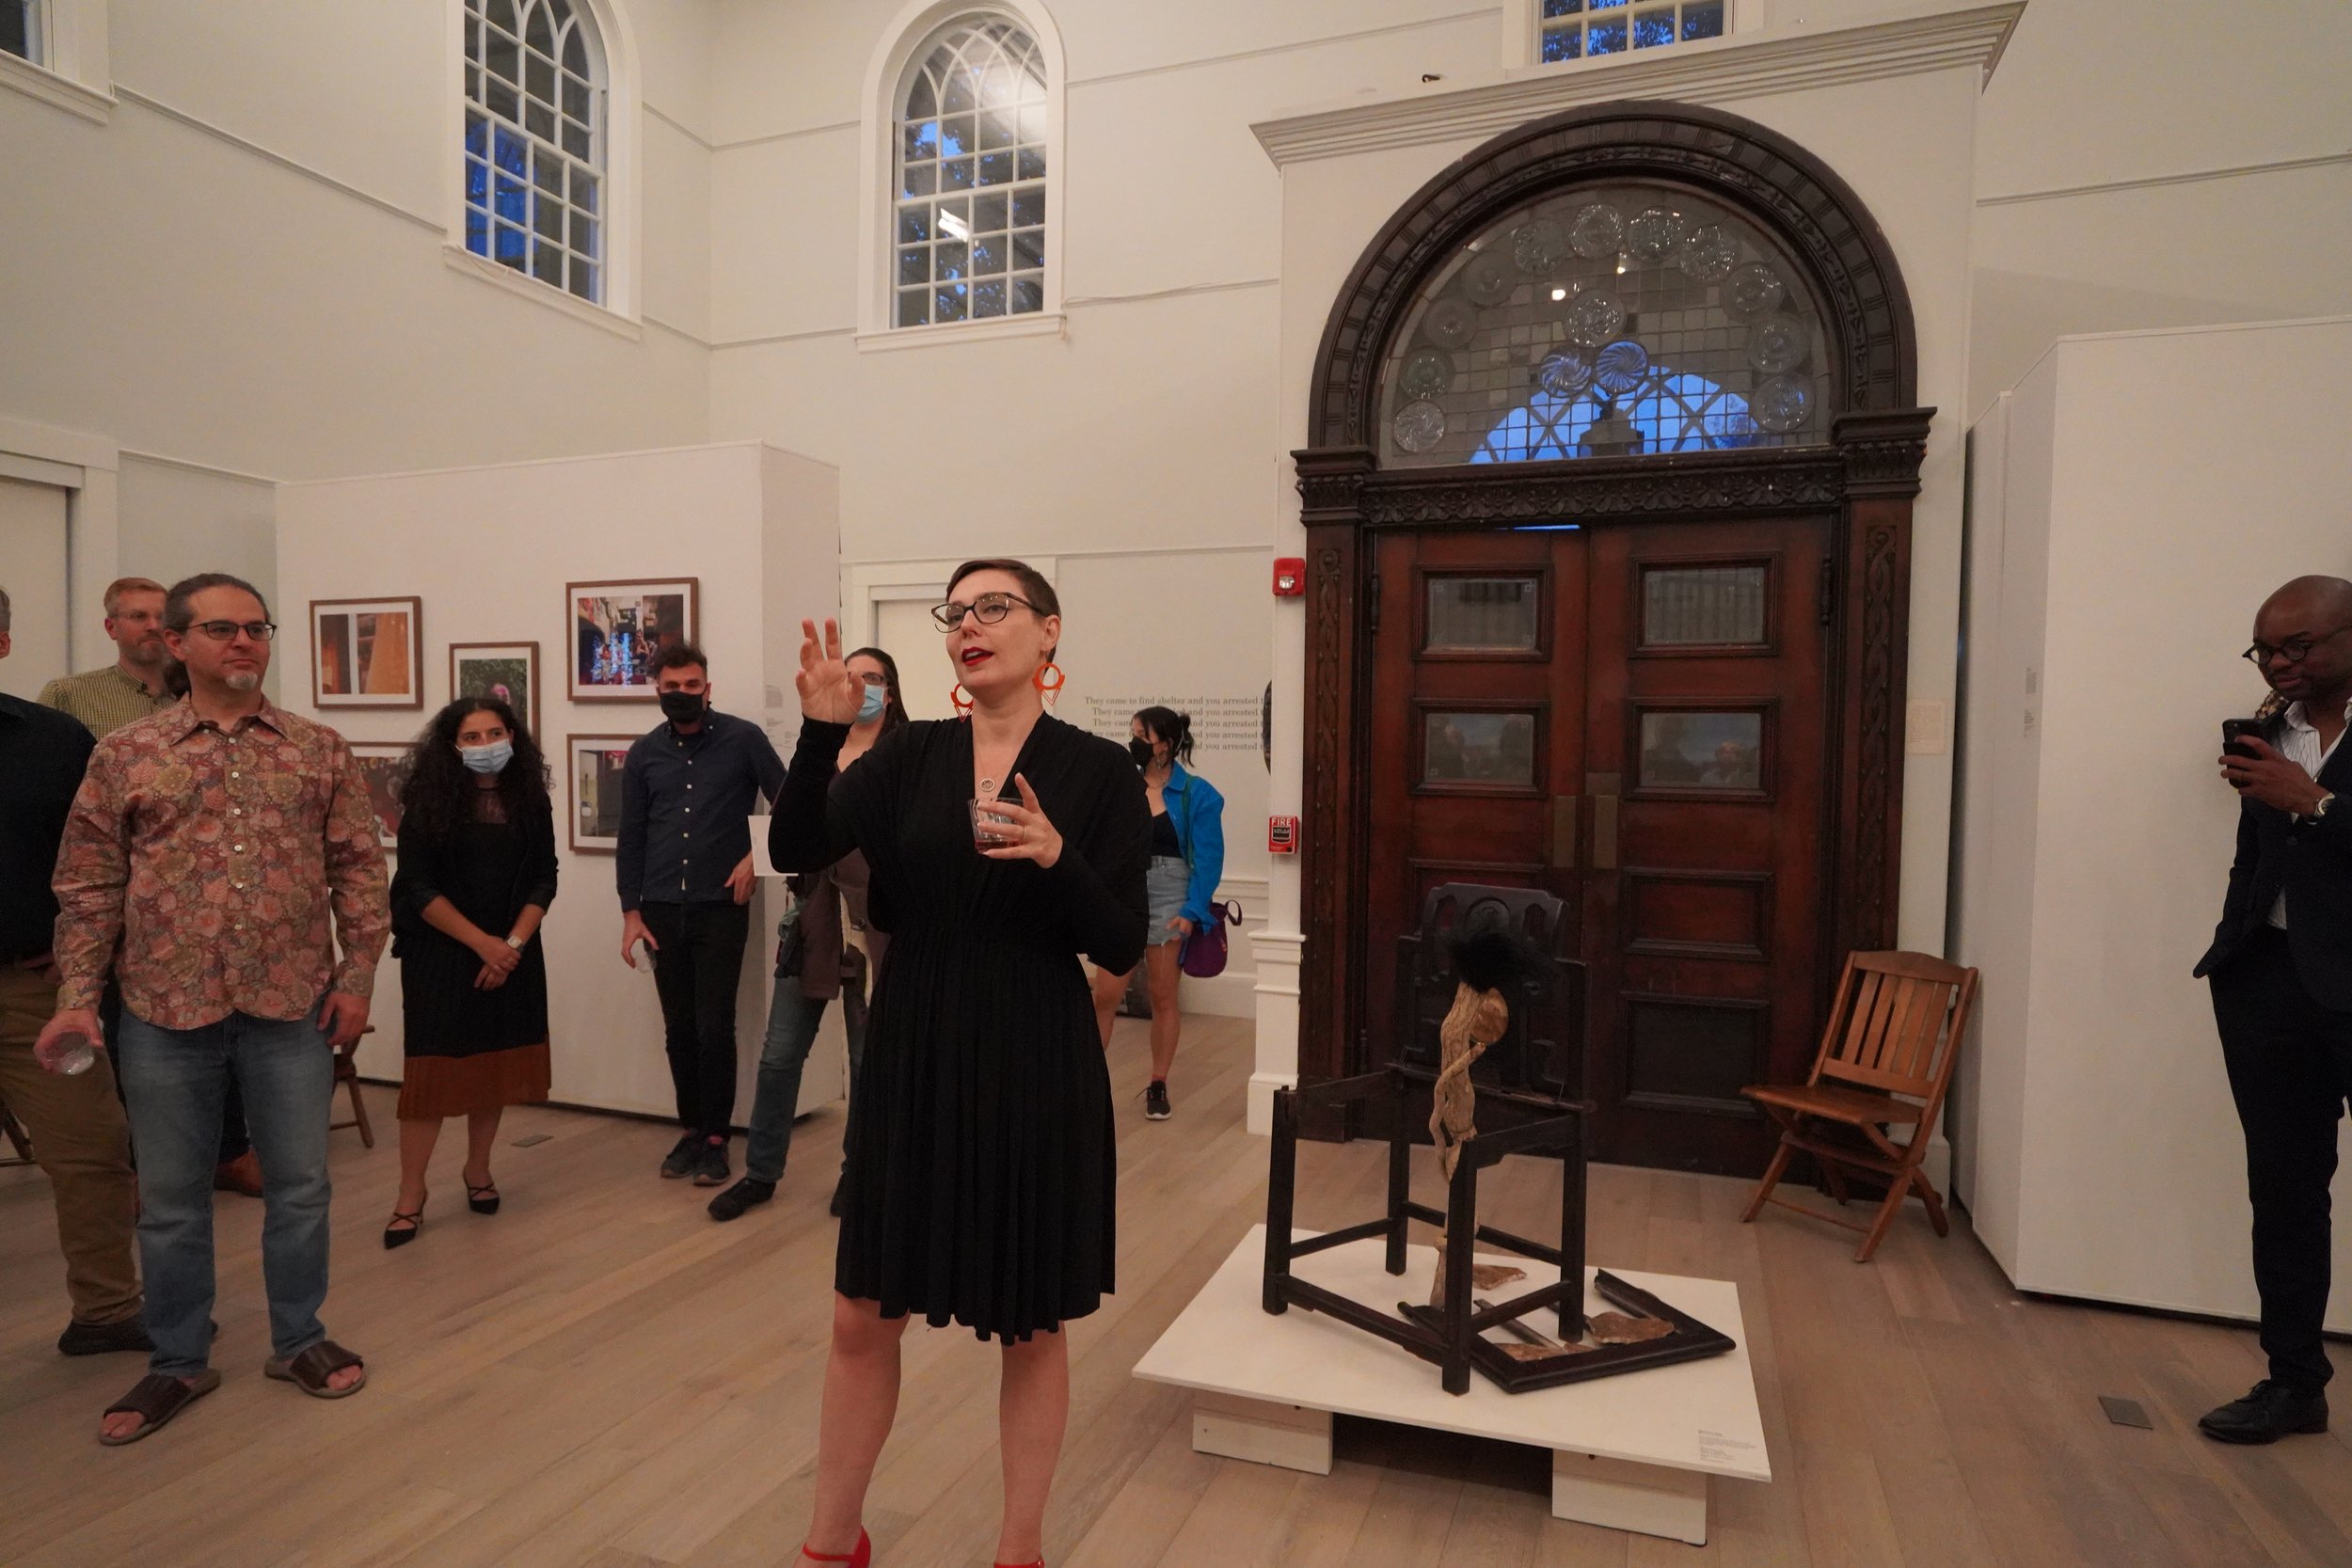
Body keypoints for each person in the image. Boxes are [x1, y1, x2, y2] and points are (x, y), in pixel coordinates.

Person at [771, 561, 1148, 1568]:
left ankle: (1017, 1547)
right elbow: (797, 842)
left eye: (994, 607)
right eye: (956, 611)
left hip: (1033, 1044)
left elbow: (1119, 941)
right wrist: (819, 731)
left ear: (1048, 631)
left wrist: (1056, 857)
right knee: (861, 1309)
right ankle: (828, 1540)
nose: (968, 625)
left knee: (1029, 1319)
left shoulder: (1099, 770)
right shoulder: (909, 756)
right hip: (917, 1037)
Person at [40, 571, 389, 1444]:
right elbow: (88, 887)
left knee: (302, 1187)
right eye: (223, 629)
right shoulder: (126, 753)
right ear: (178, 642)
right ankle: (177, 1358)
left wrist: (357, 980)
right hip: (163, 1008)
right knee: (168, 1199)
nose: (244, 642)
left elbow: (358, 868)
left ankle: (298, 1337)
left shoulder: (317, 749)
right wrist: (78, 998)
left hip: (289, 1006)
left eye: (256, 628)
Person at [38, 575, 262, 1198]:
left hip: (217, 898)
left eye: (156, 615)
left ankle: (229, 1150)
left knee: (230, 1025)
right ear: (114, 628)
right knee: (137, 1037)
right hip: (130, 898)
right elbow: (61, 801)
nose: (146, 626)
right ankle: (144, 1165)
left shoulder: (210, 689)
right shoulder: (71, 695)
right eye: (133, 616)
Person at [2194, 573, 2352, 1444]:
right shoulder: (2271, 730)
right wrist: (2234, 948)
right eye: (2267, 648)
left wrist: (2318, 802)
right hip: (2272, 984)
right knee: (2286, 1191)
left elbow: (2311, 820)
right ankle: (2294, 1381)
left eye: (2300, 646)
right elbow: (2255, 855)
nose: (2281, 662)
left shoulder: (2306, 761)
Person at [0, 585, 149, 1358]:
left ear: (2, 643)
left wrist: (83, 945)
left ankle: (107, 1311)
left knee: (90, 1146)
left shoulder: (55, 739)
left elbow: (103, 854)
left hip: (33, 989)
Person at [710, 648, 905, 1224]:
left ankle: (859, 1174)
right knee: (779, 1057)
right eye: (855, 677)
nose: (864, 687)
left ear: (890, 693)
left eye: (875, 679)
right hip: (814, 924)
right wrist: (757, 854)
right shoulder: (818, 754)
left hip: (881, 930)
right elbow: (790, 827)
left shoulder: (906, 755)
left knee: (869, 1061)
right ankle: (762, 1172)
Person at [382, 698, 558, 1248]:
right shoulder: (427, 803)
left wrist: (510, 947)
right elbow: (417, 886)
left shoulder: (530, 799)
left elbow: (544, 879)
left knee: (493, 1068)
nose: (486, 746)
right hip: (443, 952)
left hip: (513, 951)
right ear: (452, 745)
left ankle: (477, 1170)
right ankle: (411, 1194)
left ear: (513, 736)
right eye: (473, 737)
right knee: (431, 1080)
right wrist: (483, 945)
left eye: (495, 733)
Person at [617, 642, 785, 1189]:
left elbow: (789, 806)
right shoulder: (643, 754)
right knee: (679, 1030)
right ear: (657, 691)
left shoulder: (743, 740)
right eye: (672, 687)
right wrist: (630, 913)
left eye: (692, 686)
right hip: (661, 910)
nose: (683, 695)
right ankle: (691, 1130)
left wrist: (755, 862)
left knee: (715, 1027)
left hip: (720, 908)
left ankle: (716, 1139)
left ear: (707, 689)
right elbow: (632, 839)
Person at [1089, 706, 1225, 1120]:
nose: (1132, 742)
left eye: (1140, 736)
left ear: (1164, 744)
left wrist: (1193, 909)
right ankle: (1088, 1081)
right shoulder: (1120, 786)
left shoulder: (1198, 794)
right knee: (1104, 995)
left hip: (1171, 896)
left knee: (1163, 997)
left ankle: (1158, 1083)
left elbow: (1208, 858)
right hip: (1124, 894)